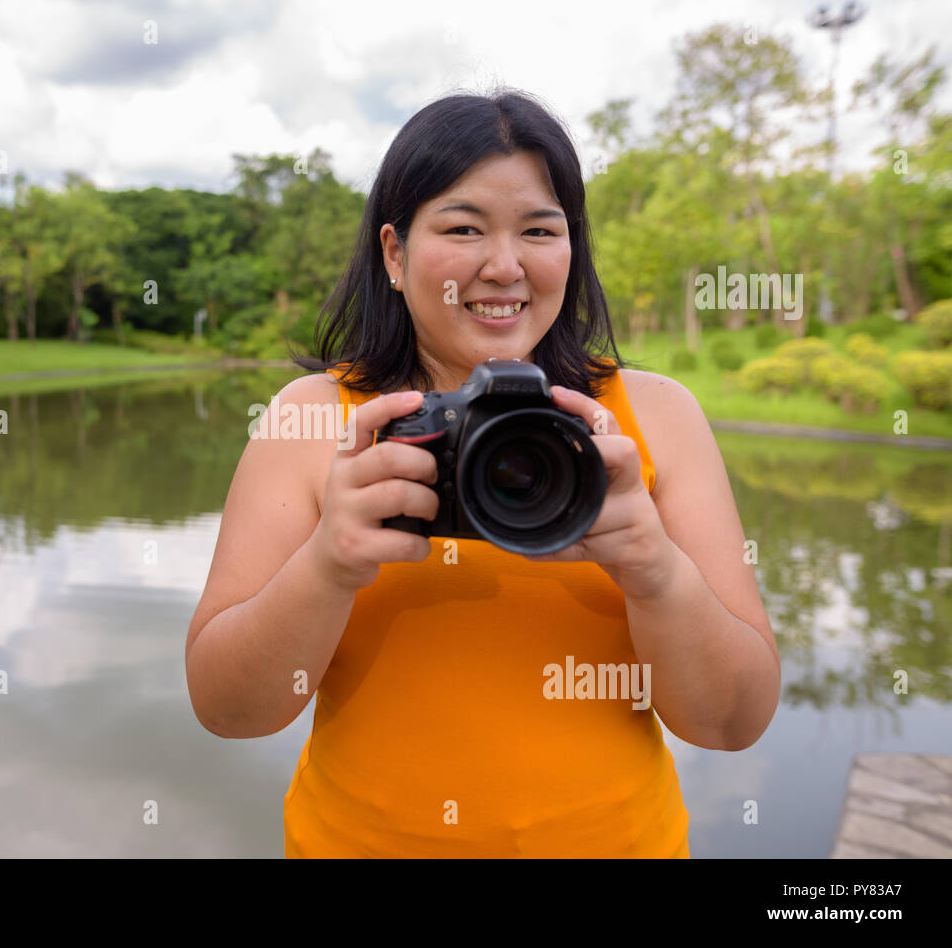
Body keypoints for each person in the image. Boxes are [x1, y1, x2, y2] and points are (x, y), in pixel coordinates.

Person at [185, 87, 780, 857]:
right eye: (463, 228)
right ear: (394, 253)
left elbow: (731, 725)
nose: (503, 266)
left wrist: (656, 569)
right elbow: (231, 710)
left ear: (572, 248)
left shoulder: (654, 419)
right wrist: (329, 562)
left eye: (540, 229)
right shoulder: (315, 420)